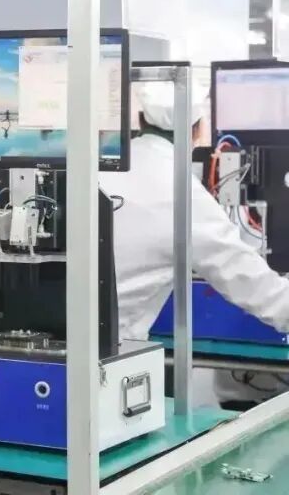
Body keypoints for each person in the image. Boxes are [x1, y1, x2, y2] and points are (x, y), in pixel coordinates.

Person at [99, 81, 289, 407]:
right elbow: (253, 285)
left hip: (55, 344)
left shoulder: (103, 166)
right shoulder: (183, 193)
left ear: (140, 119)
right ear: (197, 130)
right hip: (111, 359)